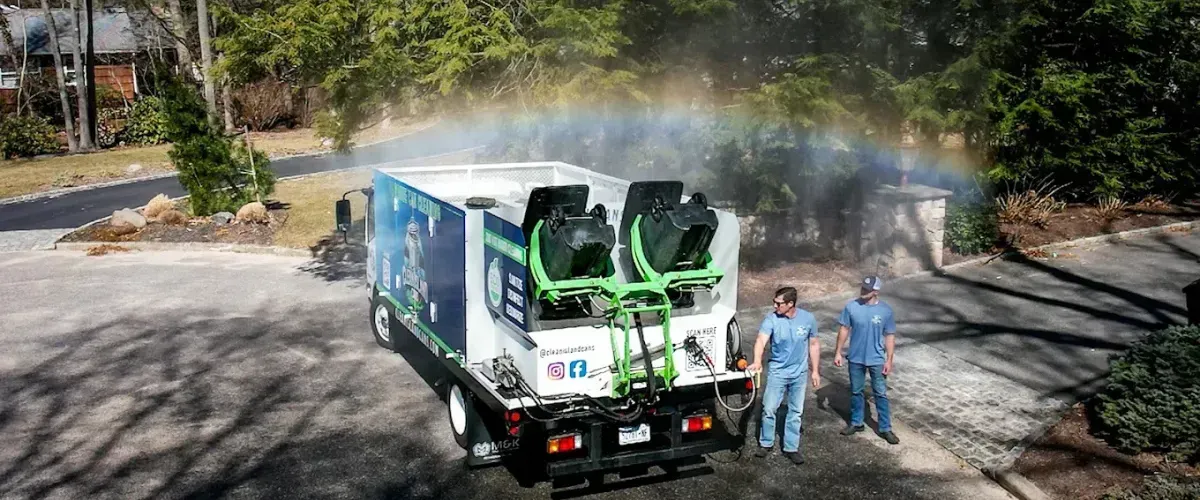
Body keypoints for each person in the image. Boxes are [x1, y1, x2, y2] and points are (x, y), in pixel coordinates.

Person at [747, 286, 821, 464]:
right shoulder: (771, 320)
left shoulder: (808, 319)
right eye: (774, 302)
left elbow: (814, 345)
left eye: (778, 303)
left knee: (795, 411)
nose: (775, 306)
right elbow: (761, 340)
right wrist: (757, 360)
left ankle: (791, 447)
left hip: (799, 373)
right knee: (769, 408)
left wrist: (816, 371)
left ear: (790, 304)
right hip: (778, 372)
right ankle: (766, 443)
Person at [833, 275, 900, 445]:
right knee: (856, 391)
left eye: (867, 290)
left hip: (877, 359)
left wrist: (889, 360)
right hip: (855, 358)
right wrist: (838, 352)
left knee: (880, 393)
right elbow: (844, 329)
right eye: (862, 288)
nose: (863, 291)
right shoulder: (851, 307)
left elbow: (889, 336)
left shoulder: (885, 311)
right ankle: (857, 422)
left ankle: (885, 428)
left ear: (876, 291)